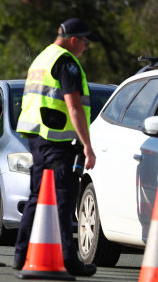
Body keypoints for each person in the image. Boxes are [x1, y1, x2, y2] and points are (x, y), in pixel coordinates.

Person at [13, 18, 99, 277]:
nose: (86, 47)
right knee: (63, 199)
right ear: (74, 39)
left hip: (39, 138)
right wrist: (87, 145)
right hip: (58, 141)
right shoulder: (66, 62)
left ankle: (21, 255)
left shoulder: (42, 58)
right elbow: (73, 106)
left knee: (37, 196)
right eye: (85, 42)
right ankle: (68, 259)